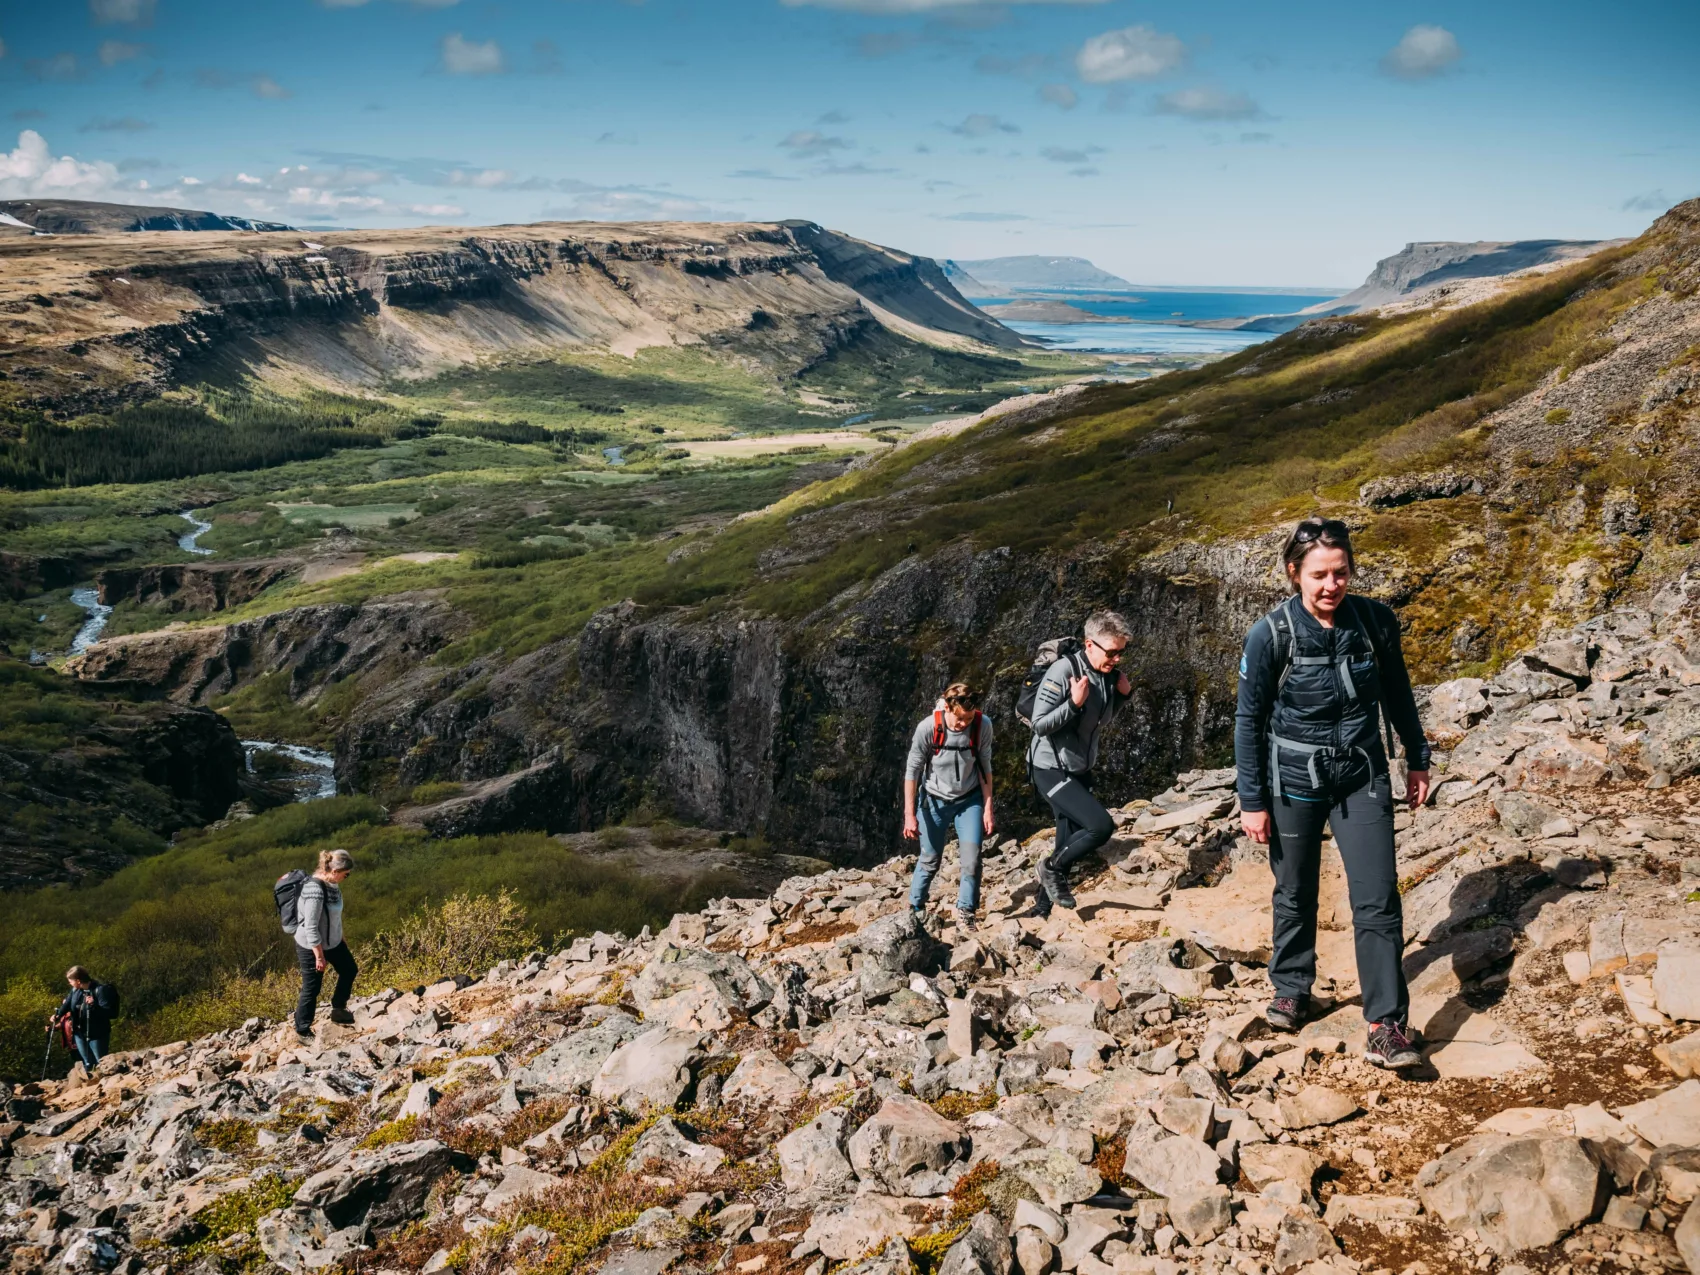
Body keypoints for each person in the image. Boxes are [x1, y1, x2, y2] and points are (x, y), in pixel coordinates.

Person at [1234, 517, 1432, 1071]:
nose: (1331, 585)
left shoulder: (1374, 622)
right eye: (1319, 574)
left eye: (1340, 573)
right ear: (1294, 573)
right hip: (1292, 782)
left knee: (1377, 898)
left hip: (1361, 774)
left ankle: (1386, 1025)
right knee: (1294, 889)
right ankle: (1292, 988)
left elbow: (1398, 694)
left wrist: (1416, 759)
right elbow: (1248, 721)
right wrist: (1252, 800)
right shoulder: (1270, 634)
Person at [1027, 611, 1135, 916]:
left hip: (1079, 768)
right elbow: (1039, 724)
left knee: (1067, 840)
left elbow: (1101, 720)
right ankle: (1048, 867)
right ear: (1090, 644)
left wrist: (1123, 696)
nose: (1116, 659)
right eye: (1111, 652)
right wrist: (1073, 704)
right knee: (1100, 827)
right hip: (1050, 768)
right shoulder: (1063, 671)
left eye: (1121, 653)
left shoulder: (1107, 676)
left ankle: (1042, 909)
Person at [902, 682, 995, 929]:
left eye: (969, 717)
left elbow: (985, 767)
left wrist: (987, 808)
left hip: (969, 799)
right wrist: (909, 815)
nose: (964, 723)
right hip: (933, 800)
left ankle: (966, 911)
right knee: (930, 859)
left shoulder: (982, 725)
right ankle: (916, 907)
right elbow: (912, 771)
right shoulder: (928, 728)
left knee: (972, 859)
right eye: (960, 718)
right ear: (947, 707)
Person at [294, 848, 358, 1043]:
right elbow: (311, 926)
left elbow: (333, 916)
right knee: (312, 987)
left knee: (349, 969)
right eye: (346, 875)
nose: (347, 878)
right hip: (311, 945)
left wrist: (341, 937)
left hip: (333, 942)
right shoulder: (314, 889)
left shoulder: (332, 885)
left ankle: (338, 1009)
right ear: (335, 871)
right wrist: (319, 956)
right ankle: (302, 1030)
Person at [49, 966, 117, 1070]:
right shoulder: (75, 991)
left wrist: (94, 1005)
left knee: (101, 1062)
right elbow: (67, 1004)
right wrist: (58, 1015)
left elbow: (108, 1012)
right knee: (87, 1063)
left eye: (70, 981)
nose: (69, 983)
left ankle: (107, 1082)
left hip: (97, 1033)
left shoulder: (100, 990)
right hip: (79, 1032)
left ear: (78, 981)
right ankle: (93, 1083)